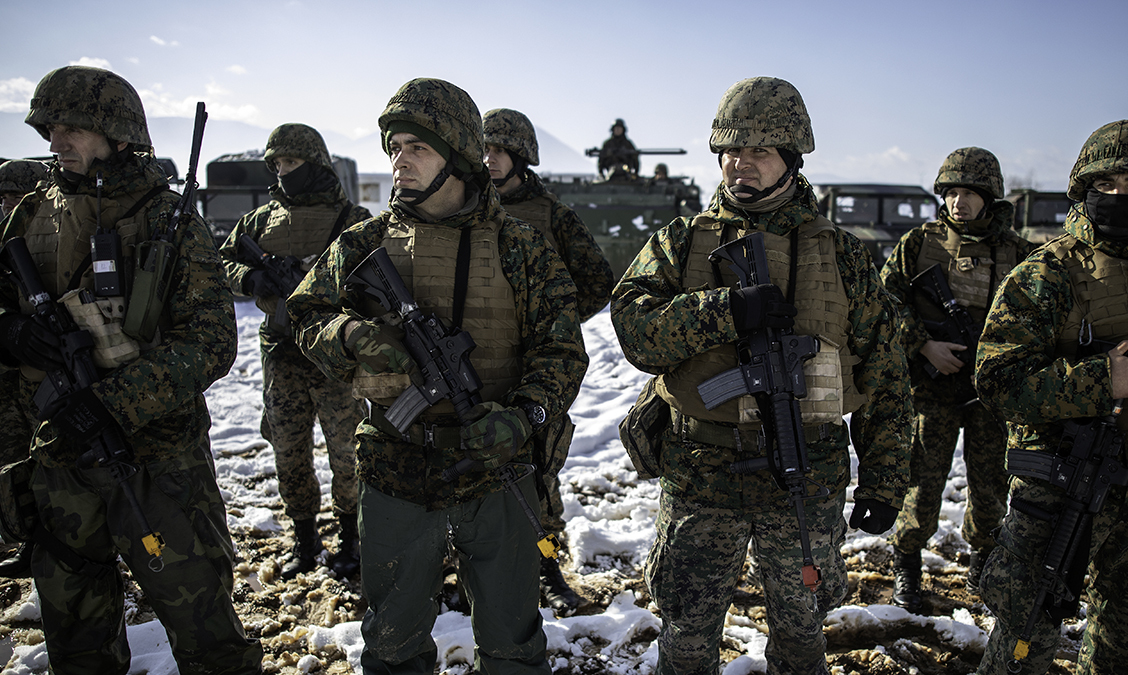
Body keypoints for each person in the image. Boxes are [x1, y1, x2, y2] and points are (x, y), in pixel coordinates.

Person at [610, 76, 912, 674]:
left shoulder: (843, 254)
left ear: (791, 161)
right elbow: (635, 333)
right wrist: (724, 310)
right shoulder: (680, 242)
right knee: (688, 638)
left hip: (805, 476)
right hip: (702, 474)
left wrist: (884, 481)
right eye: (731, 151)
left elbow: (885, 374)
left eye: (760, 151)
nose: (740, 164)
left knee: (802, 640)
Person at [289, 77, 587, 674]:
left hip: (496, 470)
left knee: (511, 641)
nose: (400, 160)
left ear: (454, 153)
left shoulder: (519, 245)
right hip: (397, 463)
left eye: (416, 148)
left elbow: (563, 351)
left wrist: (523, 414)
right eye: (394, 147)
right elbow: (304, 314)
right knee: (393, 642)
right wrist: (350, 335)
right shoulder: (364, 243)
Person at [0, 65, 261, 674]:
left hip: (157, 460)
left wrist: (114, 402)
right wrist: (11, 332)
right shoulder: (31, 214)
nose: (56, 139)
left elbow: (211, 341)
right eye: (50, 126)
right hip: (57, 455)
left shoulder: (166, 218)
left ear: (117, 133)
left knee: (207, 632)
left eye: (73, 127)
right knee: (77, 638)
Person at [974, 119, 1128, 674]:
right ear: (1085, 188)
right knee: (1025, 639)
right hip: (1065, 489)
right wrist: (1101, 380)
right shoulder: (1046, 274)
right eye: (1106, 185)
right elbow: (997, 380)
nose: (1118, 196)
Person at [879, 147, 1033, 611]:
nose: (958, 203)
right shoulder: (918, 245)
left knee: (991, 486)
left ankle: (983, 562)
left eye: (969, 193)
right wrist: (923, 344)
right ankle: (907, 562)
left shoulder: (1019, 252)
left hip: (991, 395)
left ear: (990, 198)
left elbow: (1040, 318)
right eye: (950, 193)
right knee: (922, 485)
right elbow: (884, 302)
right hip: (932, 391)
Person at [219, 123, 371, 580]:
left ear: (315, 162)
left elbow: (376, 278)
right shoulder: (261, 221)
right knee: (289, 451)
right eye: (277, 164)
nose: (283, 171)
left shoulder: (350, 218)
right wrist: (251, 279)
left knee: (348, 453)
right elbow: (220, 261)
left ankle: (352, 539)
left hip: (334, 357)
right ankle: (305, 541)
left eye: (291, 162)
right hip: (281, 353)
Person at [483, 107, 614, 611]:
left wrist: (552, 321)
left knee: (538, 478)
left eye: (498, 151)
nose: (489, 160)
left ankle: (547, 566)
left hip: (536, 370)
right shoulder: (458, 209)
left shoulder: (553, 215)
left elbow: (597, 280)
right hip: (470, 365)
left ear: (520, 156)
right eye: (483, 151)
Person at [0, 158, 47, 578]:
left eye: (19, 196)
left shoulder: (53, 239)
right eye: (5, 197)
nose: (11, 205)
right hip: (9, 373)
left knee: (44, 463)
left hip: (45, 375)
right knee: (11, 459)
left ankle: (42, 545)